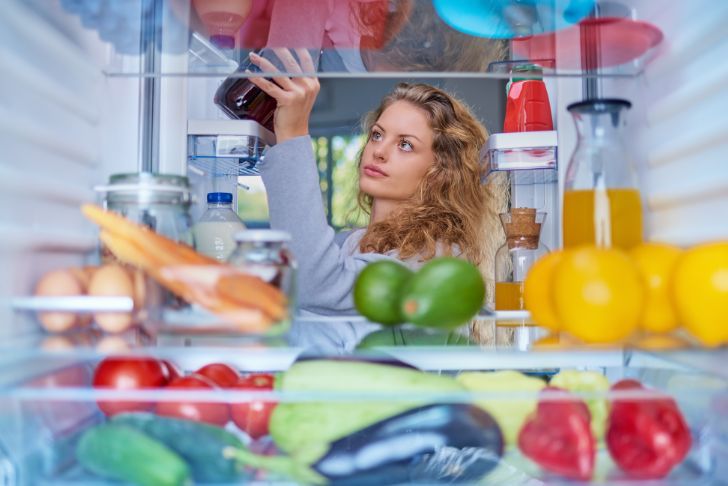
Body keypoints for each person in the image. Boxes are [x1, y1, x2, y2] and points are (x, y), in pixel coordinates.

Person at [248, 48, 508, 350]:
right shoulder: (349, 244)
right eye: (377, 134)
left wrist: (292, 136)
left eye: (406, 145)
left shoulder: (435, 257)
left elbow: (314, 283)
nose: (380, 151)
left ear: (440, 173)